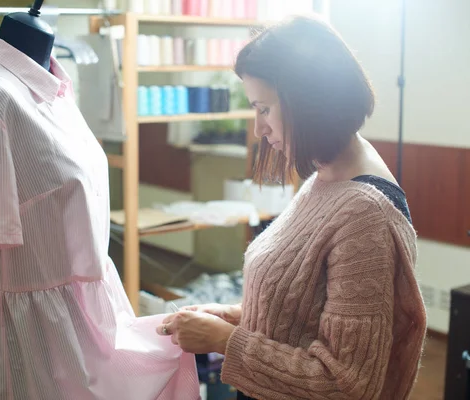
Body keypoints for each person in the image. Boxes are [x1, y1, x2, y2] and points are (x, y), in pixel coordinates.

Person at [157, 15, 427, 400]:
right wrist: (233, 316)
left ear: (309, 102)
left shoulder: (366, 216)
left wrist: (226, 339)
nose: (258, 130)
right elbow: (304, 313)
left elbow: (345, 384)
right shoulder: (326, 175)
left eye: (264, 109)